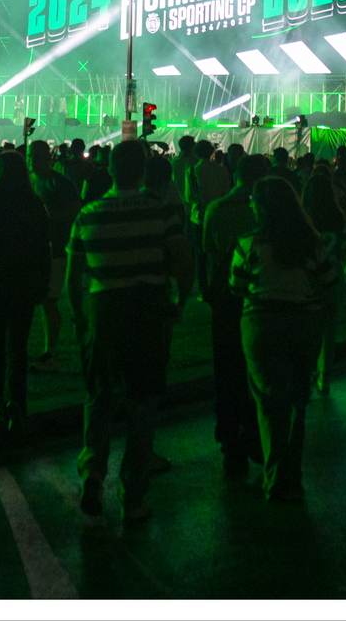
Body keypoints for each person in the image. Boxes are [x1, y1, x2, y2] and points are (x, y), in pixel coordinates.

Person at [68, 138, 193, 523]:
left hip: (104, 310)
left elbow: (73, 279)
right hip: (147, 310)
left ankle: (93, 471)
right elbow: (184, 262)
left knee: (99, 395)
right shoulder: (160, 211)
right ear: (142, 171)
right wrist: (179, 303)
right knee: (143, 402)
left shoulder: (88, 214)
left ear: (109, 170)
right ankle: (132, 495)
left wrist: (80, 319)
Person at [232, 175, 341, 503]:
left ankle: (276, 473)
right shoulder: (311, 242)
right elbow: (330, 279)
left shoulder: (249, 242)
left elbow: (237, 286)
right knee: (297, 398)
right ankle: (293, 470)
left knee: (269, 401)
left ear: (260, 206)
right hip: (304, 323)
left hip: (262, 323)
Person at [0, 149, 52, 442]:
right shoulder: (35, 203)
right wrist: (43, 280)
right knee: (18, 345)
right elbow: (44, 244)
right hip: (25, 277)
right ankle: (17, 403)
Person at [202, 153, 269, 476]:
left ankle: (230, 441)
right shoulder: (267, 212)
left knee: (228, 371)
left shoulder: (216, 209)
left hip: (226, 298)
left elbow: (209, 251)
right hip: (260, 297)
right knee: (260, 371)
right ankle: (256, 435)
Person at [28, 140, 80, 370]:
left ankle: (50, 353)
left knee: (49, 301)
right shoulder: (29, 181)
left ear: (48, 157)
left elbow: (75, 211)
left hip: (56, 249)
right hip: (35, 249)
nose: (33, 160)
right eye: (30, 155)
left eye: (37, 156)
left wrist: (48, 214)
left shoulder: (60, 183)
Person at [304, 170, 346, 394]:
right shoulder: (339, 218)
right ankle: (325, 377)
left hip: (308, 278)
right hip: (333, 274)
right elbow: (345, 246)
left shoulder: (302, 220)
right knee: (329, 330)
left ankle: (308, 371)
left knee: (306, 328)